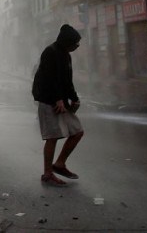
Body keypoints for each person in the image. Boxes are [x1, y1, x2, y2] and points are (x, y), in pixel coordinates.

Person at [32, 24, 84, 186]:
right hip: (49, 101)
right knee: (52, 137)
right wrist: (57, 99)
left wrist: (74, 98)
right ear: (66, 42)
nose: (77, 46)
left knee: (77, 132)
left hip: (62, 102)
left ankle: (60, 164)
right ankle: (47, 174)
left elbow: (67, 80)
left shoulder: (66, 55)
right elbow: (49, 78)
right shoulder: (50, 52)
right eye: (75, 43)